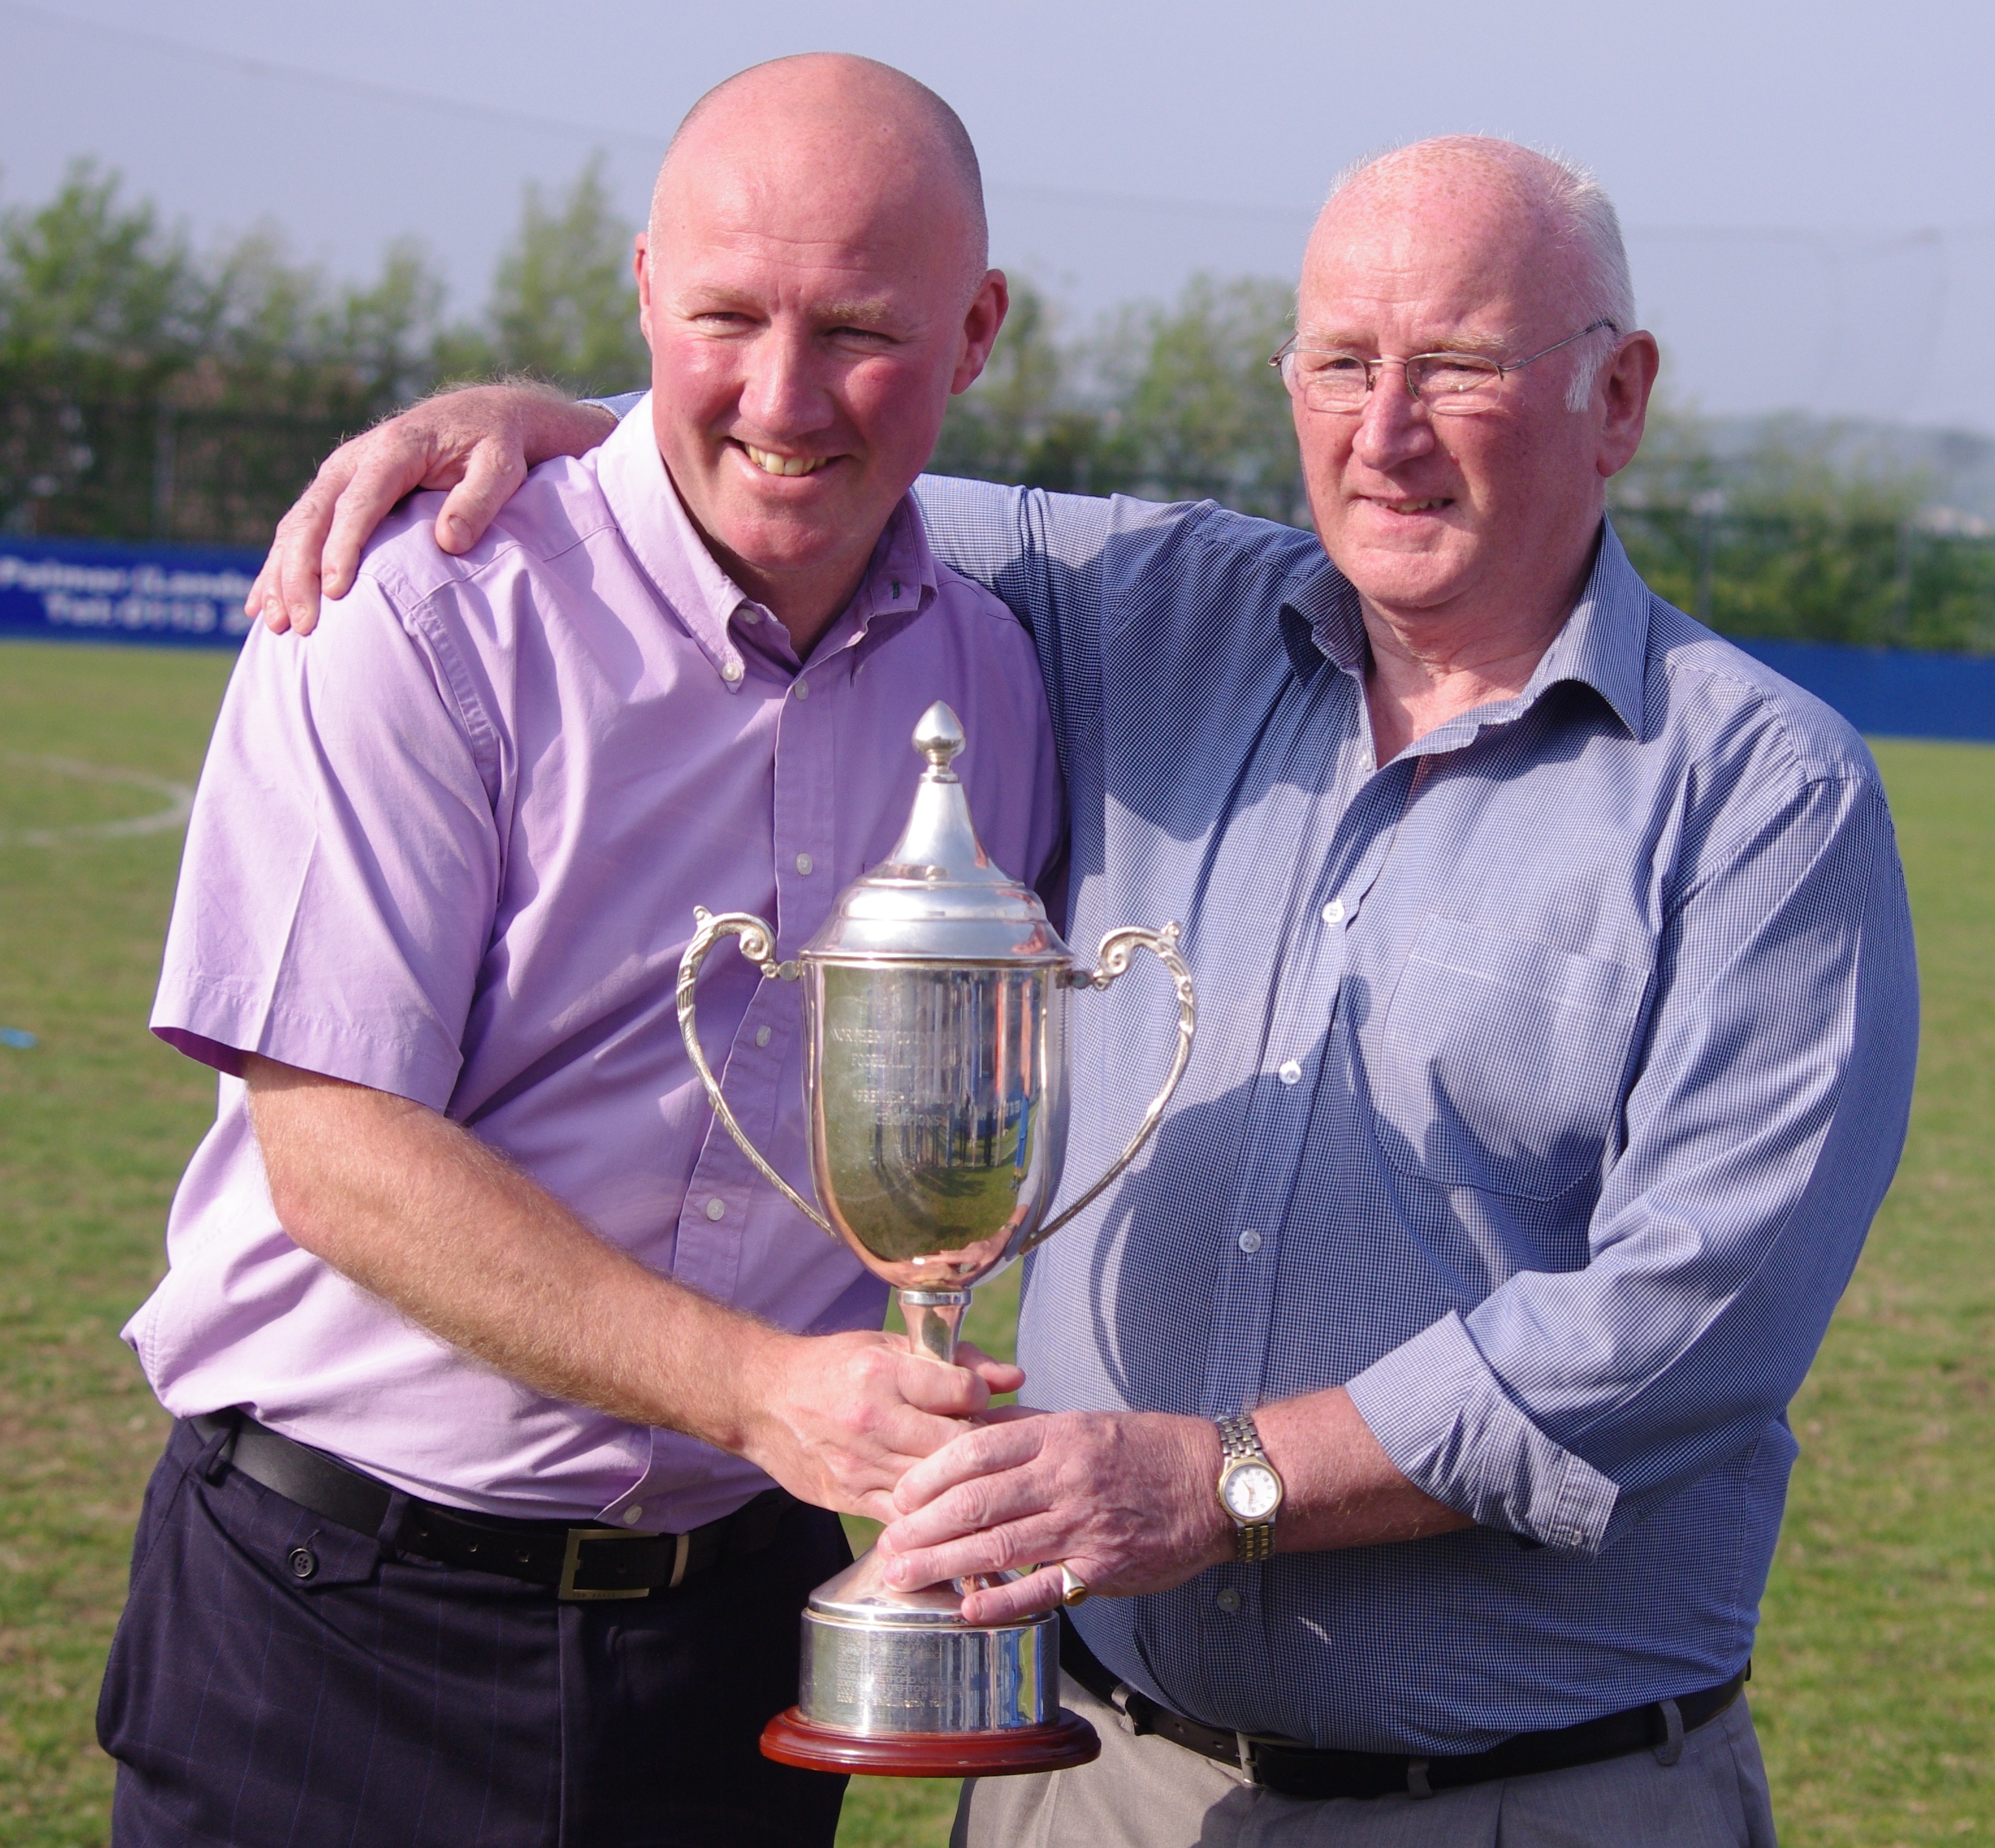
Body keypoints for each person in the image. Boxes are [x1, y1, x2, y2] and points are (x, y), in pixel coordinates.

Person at [249, 137, 1920, 1847]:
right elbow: (788, 443)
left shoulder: (1764, 798)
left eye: (1462, 367)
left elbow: (1686, 1327)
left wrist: (1229, 1478)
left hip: (1525, 1799)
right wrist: (543, 418)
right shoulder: (1147, 612)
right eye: (1341, 363)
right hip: (1091, 1785)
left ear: (1616, 395)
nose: (1384, 432)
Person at [102, 54, 1066, 1848]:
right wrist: (767, 1391)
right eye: (723, 317)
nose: (781, 398)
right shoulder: (413, 606)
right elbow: (338, 1157)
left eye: (859, 329)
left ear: (977, 328)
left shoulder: (1000, 672)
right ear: (641, 294)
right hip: (342, 1616)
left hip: (736, 1641)